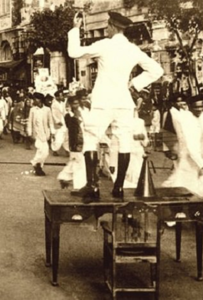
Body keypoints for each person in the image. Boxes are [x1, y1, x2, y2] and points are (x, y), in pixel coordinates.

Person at [68, 11, 163, 200]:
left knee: (91, 139)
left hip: (103, 101)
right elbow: (157, 70)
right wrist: (135, 84)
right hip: (124, 103)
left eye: (107, 26)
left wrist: (75, 29)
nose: (106, 29)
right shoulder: (133, 49)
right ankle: (118, 187)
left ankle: (93, 187)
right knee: (124, 142)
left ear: (112, 26)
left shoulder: (105, 45)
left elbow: (74, 52)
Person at [57, 95, 86, 189]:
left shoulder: (82, 113)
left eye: (78, 103)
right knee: (79, 164)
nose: (77, 105)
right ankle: (79, 186)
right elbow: (71, 131)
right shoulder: (68, 116)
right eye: (74, 104)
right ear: (70, 105)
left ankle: (64, 177)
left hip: (82, 142)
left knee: (75, 162)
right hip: (75, 143)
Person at [26, 92, 54, 176]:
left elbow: (51, 122)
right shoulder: (33, 110)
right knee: (41, 150)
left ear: (40, 100)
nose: (33, 101)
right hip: (36, 133)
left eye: (35, 99)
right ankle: (38, 167)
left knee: (44, 152)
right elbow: (30, 122)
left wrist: (52, 132)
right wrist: (30, 133)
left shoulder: (47, 109)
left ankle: (36, 164)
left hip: (45, 134)